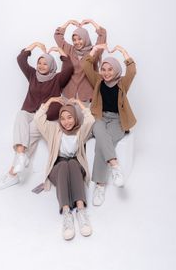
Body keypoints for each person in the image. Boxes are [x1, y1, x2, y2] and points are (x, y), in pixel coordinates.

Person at [0, 42, 73, 190]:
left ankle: (12, 174)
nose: (41, 66)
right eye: (39, 63)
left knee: (30, 131)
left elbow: (69, 68)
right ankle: (22, 157)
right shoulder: (32, 75)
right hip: (30, 111)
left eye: (45, 64)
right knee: (21, 115)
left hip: (45, 115)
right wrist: (34, 45)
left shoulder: (57, 78)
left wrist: (58, 50)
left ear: (51, 66)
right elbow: (21, 59)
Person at [82, 44, 136, 206]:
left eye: (110, 69)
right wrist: (96, 49)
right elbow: (86, 65)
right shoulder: (98, 80)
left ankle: (100, 185)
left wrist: (123, 51)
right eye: (103, 69)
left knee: (100, 144)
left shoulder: (122, 83)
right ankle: (115, 166)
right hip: (100, 117)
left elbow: (132, 71)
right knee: (98, 130)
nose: (106, 73)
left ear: (116, 71)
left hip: (117, 121)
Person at [34, 97, 95, 240]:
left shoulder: (81, 130)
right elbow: (38, 119)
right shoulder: (53, 129)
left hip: (74, 165)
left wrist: (79, 103)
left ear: (75, 118)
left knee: (72, 163)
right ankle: (67, 214)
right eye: (62, 118)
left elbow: (90, 120)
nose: (66, 122)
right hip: (57, 167)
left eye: (70, 117)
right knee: (63, 165)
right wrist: (50, 101)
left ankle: (81, 211)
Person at [54, 19, 107, 103]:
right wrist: (68, 22)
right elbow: (57, 36)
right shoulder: (70, 50)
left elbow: (102, 34)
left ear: (85, 38)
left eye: (80, 39)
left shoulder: (93, 51)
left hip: (87, 96)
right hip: (69, 95)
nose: (77, 42)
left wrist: (91, 22)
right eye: (74, 39)